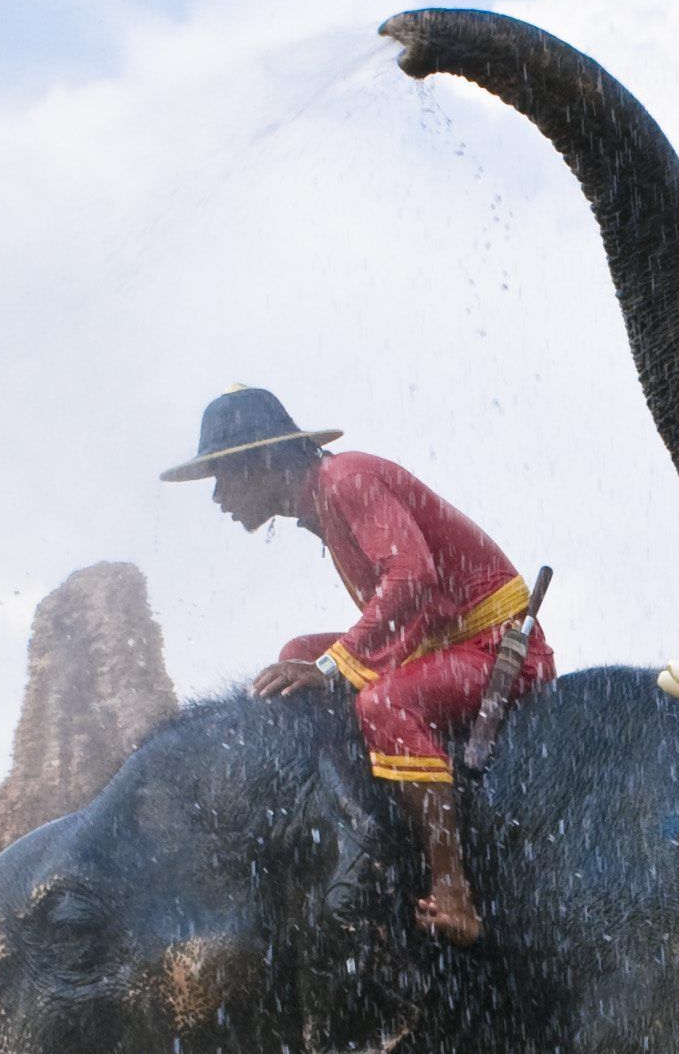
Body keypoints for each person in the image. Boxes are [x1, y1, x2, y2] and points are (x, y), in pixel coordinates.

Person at [164, 383, 551, 945]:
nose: (218, 496)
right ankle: (369, 810)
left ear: (267, 460)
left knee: (383, 702)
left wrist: (332, 668)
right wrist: (319, 663)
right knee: (296, 653)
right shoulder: (322, 501)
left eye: (223, 475)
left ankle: (452, 889)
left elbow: (412, 580)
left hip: (493, 648)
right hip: (444, 644)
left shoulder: (346, 479)